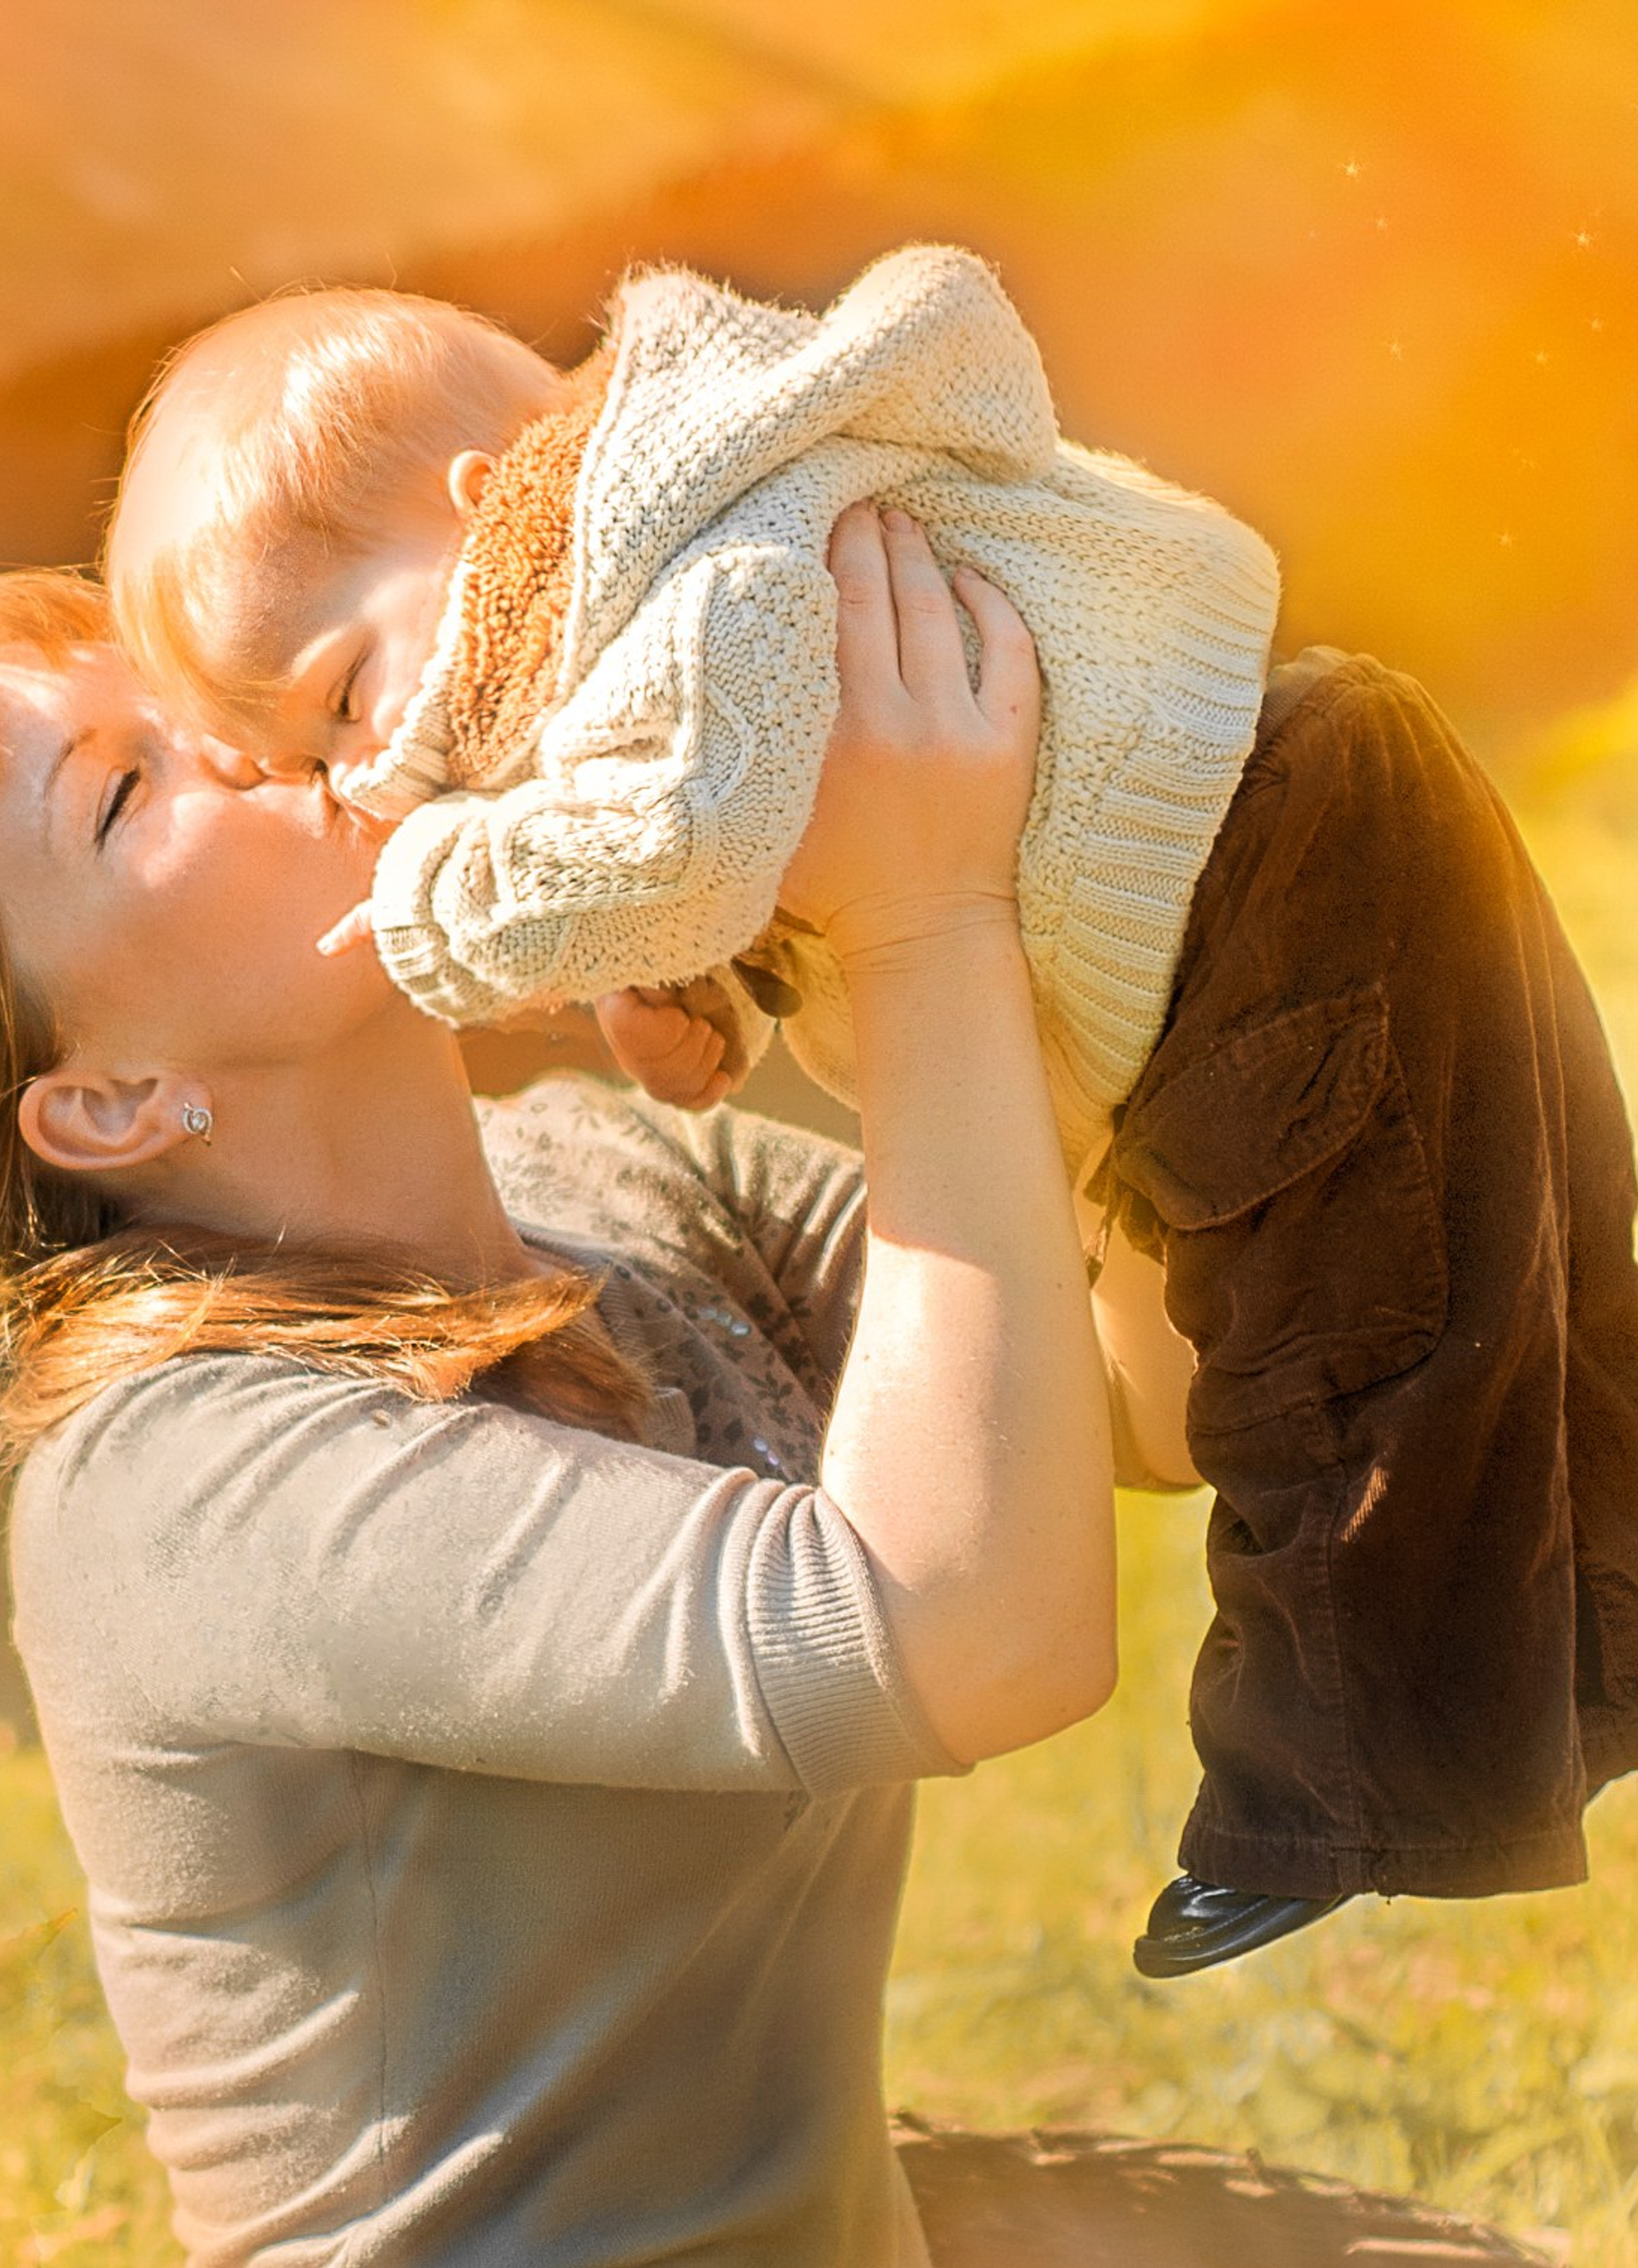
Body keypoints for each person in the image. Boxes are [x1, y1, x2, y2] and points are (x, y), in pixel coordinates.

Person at [102, 250, 1638, 1975]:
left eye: (343, 698)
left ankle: (1341, 1790)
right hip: (1265, 838)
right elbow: (739, 813)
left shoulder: (664, 544)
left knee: (1345, 1340)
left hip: (1256, 866)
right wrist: (687, 980)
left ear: (479, 510)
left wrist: (444, 910)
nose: (368, 781)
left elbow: (701, 814)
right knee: (1516, 1272)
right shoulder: (648, 559)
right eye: (316, 764)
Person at [0, 507, 1122, 2263]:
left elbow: (1139, 1387)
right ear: (110, 1100)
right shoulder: (181, 1484)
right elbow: (974, 1633)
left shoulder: (601, 1176)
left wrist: (842, 920)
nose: (241, 732)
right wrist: (923, 921)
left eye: (180, 688)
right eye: (125, 788)